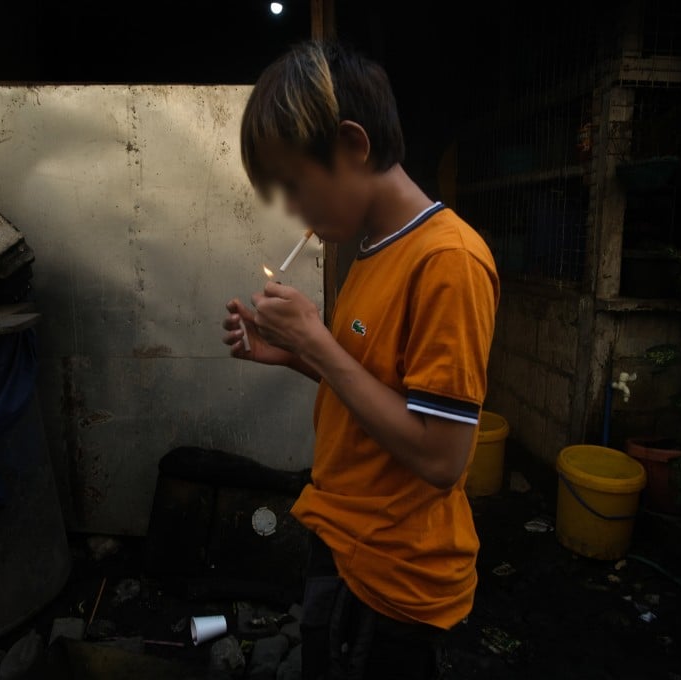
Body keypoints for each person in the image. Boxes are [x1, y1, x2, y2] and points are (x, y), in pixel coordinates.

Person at [221, 41, 499, 680]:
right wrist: (292, 356)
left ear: (352, 145)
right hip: (346, 548)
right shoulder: (370, 251)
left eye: (295, 185)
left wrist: (316, 340)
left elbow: (441, 457)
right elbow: (374, 391)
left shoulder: (448, 261)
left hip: (397, 587)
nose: (293, 210)